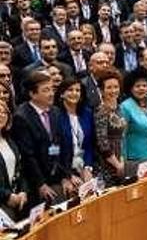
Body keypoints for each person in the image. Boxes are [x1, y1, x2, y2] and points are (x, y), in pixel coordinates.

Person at [12, 71, 74, 205]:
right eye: (46, 90)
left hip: (57, 175)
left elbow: (64, 146)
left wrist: (65, 176)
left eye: (52, 89)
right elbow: (28, 156)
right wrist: (41, 184)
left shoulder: (55, 111)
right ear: (32, 94)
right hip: (36, 181)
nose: (51, 93)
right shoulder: (22, 117)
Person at [56, 78, 95, 185]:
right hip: (64, 171)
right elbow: (54, 152)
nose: (74, 93)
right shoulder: (55, 116)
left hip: (84, 167)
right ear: (61, 94)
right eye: (70, 90)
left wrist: (88, 167)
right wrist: (67, 175)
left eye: (77, 90)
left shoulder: (87, 114)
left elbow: (89, 145)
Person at [94, 68, 127, 186]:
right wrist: (117, 165)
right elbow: (102, 144)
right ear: (102, 91)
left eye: (116, 87)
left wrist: (122, 161)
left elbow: (122, 137)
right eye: (109, 87)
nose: (113, 91)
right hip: (106, 164)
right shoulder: (101, 112)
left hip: (120, 160)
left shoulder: (120, 109)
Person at [0, 99, 26, 220]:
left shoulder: (10, 141)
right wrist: (7, 196)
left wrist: (23, 191)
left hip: (15, 200)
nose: (1, 115)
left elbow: (20, 170)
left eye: (4, 112)